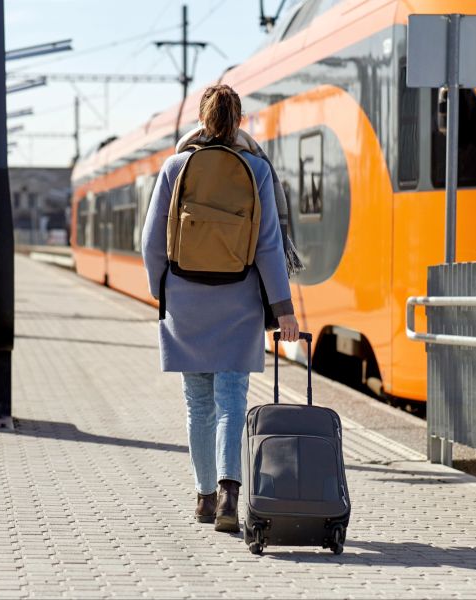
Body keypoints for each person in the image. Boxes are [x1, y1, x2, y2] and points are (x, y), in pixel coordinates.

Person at [142, 84, 299, 533]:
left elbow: (152, 242)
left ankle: (204, 498)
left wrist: (164, 291)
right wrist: (283, 309)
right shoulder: (257, 169)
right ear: (239, 121)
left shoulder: (175, 166)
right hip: (240, 300)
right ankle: (231, 497)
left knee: (198, 406)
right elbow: (269, 245)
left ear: (202, 118)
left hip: (187, 301)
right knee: (233, 402)